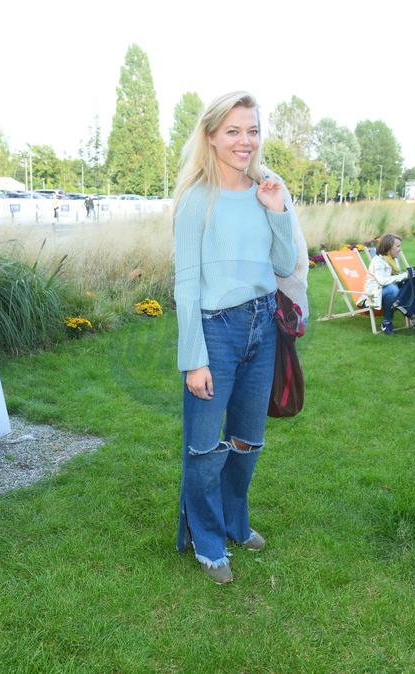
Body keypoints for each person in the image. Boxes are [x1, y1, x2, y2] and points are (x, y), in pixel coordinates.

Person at [173, 91, 308, 584]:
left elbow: (283, 264)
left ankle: (235, 520)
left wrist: (276, 210)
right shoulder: (196, 199)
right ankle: (207, 539)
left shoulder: (267, 190)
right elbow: (186, 284)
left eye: (252, 130)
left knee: (249, 439)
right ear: (211, 136)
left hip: (263, 325)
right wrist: (194, 358)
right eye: (232, 131)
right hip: (216, 330)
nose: (244, 141)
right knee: (204, 446)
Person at [363, 233, 415, 334]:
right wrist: (405, 276)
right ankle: (387, 322)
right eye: (398, 246)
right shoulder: (379, 262)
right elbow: (382, 281)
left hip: (391, 292)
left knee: (414, 286)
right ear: (388, 247)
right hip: (374, 296)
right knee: (392, 289)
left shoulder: (392, 260)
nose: (400, 249)